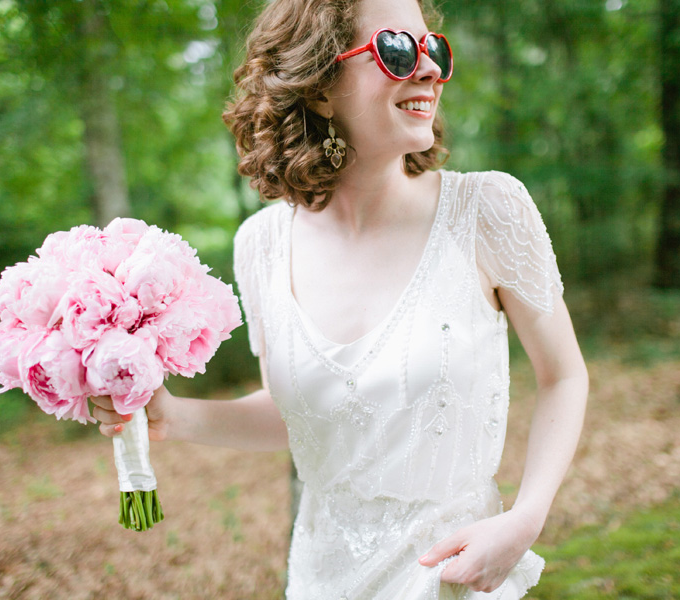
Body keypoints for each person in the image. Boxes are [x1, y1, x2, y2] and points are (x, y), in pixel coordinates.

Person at [92, 0, 588, 597]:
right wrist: (172, 417)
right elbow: (303, 415)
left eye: (432, 49)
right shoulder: (261, 246)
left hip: (453, 577)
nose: (429, 70)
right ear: (320, 88)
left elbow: (563, 375)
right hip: (322, 579)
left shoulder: (486, 212)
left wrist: (523, 521)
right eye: (397, 50)